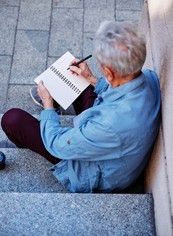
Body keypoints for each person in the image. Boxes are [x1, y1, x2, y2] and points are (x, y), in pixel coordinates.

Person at [1, 20, 161, 193]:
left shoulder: (108, 125)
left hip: (96, 173)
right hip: (116, 144)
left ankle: (24, 144)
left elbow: (57, 144)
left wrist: (48, 105)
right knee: (77, 79)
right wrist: (92, 79)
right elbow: (121, 89)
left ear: (109, 72)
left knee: (12, 119)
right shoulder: (149, 77)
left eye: (100, 65)